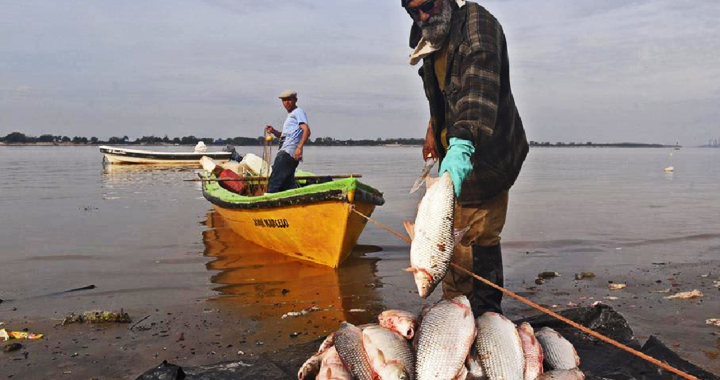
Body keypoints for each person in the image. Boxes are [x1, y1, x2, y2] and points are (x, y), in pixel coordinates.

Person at [401, 0, 529, 316]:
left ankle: (487, 316)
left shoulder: (479, 28)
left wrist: (460, 149)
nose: (423, 16)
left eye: (427, 6)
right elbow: (446, 93)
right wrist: (433, 128)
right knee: (452, 240)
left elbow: (476, 94)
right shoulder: (430, 33)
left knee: (481, 234)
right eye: (413, 11)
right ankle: (456, 311)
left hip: (488, 154)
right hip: (452, 150)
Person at [265, 90, 311, 193]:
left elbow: (306, 130)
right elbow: (284, 136)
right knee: (287, 184)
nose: (286, 102)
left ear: (295, 100)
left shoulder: (298, 112)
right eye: (284, 100)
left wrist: (299, 148)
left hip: (287, 153)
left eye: (289, 99)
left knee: (274, 183)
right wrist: (273, 131)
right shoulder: (290, 116)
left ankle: (267, 204)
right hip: (287, 152)